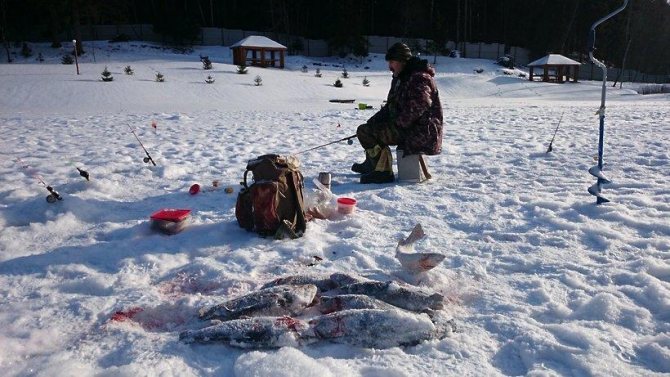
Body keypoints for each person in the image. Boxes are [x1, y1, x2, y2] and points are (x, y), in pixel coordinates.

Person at [352, 42, 443, 184]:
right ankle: (373, 164)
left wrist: (396, 124)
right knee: (366, 129)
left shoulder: (419, 78)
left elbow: (420, 105)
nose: (389, 67)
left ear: (402, 61)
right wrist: (374, 121)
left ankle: (383, 172)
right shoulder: (401, 78)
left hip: (421, 131)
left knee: (367, 132)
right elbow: (391, 106)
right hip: (409, 127)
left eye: (392, 62)